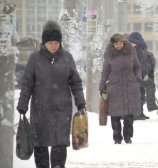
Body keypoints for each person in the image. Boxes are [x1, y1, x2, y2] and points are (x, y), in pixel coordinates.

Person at [17, 20, 86, 168]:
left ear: (60, 42)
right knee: (40, 145)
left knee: (60, 145)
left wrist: (80, 102)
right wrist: (23, 104)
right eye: (50, 43)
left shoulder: (67, 58)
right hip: (40, 110)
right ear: (44, 43)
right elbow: (27, 84)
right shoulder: (34, 59)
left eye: (56, 42)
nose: (53, 46)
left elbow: (76, 83)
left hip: (62, 111)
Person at [99, 33, 142, 144]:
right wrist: (102, 85)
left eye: (120, 43)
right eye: (116, 44)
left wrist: (138, 78)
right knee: (115, 113)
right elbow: (106, 70)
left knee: (129, 114)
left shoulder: (131, 51)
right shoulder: (109, 54)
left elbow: (137, 66)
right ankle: (117, 137)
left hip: (130, 84)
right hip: (114, 85)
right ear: (112, 45)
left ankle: (128, 136)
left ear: (123, 43)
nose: (118, 46)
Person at [128, 32, 158, 120]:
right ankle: (150, 105)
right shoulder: (138, 48)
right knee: (150, 85)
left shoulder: (129, 48)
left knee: (140, 91)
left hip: (131, 75)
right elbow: (140, 63)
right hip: (138, 74)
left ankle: (138, 113)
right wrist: (144, 74)